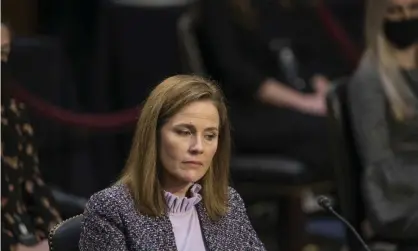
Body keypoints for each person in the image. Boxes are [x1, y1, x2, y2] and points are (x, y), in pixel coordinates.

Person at [79, 75, 266, 251]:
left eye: (210, 136)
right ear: (154, 136)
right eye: (184, 132)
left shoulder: (228, 203)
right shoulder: (111, 210)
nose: (198, 147)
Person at [198, 0, 348, 171]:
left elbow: (310, 53)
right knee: (328, 132)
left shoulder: (280, 6)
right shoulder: (216, 7)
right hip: (247, 112)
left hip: (293, 103)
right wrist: (304, 103)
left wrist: (323, 90)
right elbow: (242, 77)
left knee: (350, 120)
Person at [349, 0, 418, 246]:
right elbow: (378, 161)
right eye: (395, 11)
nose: (406, 17)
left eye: (413, 8)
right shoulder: (369, 80)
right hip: (398, 199)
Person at [1, 23, 62, 251]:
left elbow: (33, 184)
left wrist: (56, 237)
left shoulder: (12, 112)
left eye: (3, 53)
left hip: (25, 234)